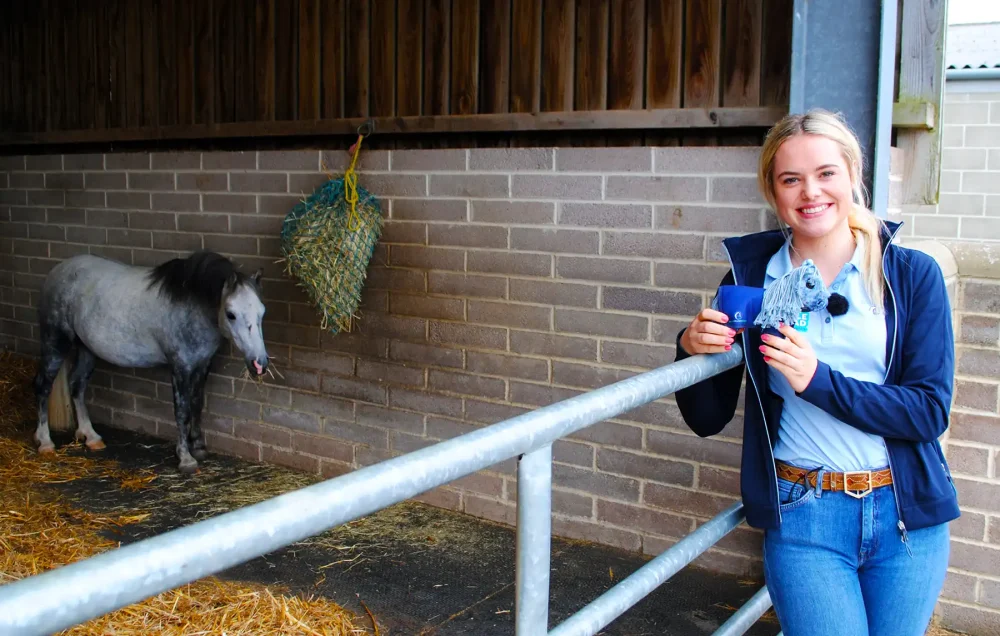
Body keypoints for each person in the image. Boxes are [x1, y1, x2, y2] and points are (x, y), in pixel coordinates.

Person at [673, 108, 959, 636]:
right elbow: (708, 418)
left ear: (852, 175)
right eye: (791, 179)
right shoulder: (751, 279)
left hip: (905, 515)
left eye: (826, 173)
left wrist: (817, 380)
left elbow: (928, 411)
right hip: (805, 512)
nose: (811, 192)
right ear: (773, 192)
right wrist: (692, 350)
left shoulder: (911, 276)